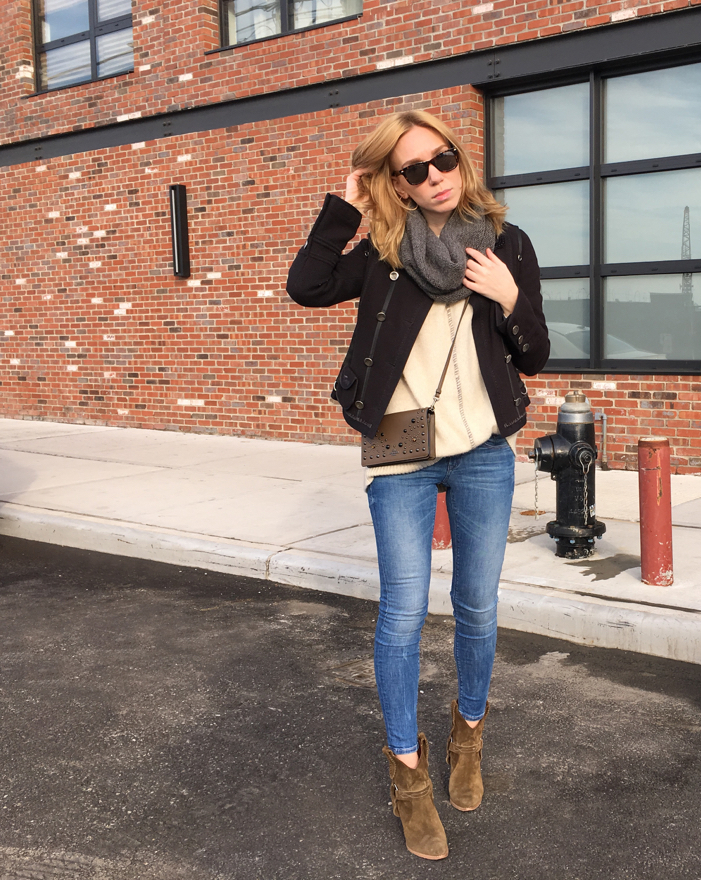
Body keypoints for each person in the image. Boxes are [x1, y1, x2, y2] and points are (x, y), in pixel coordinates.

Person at [286, 109, 549, 860]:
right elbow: (307, 285)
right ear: (395, 183)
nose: (435, 177)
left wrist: (507, 297)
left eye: (444, 159)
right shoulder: (384, 252)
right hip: (404, 449)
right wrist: (345, 208)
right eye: (413, 170)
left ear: (460, 160)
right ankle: (407, 772)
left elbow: (534, 354)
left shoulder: (506, 245)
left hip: (482, 450)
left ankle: (468, 738)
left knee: (477, 607)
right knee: (402, 612)